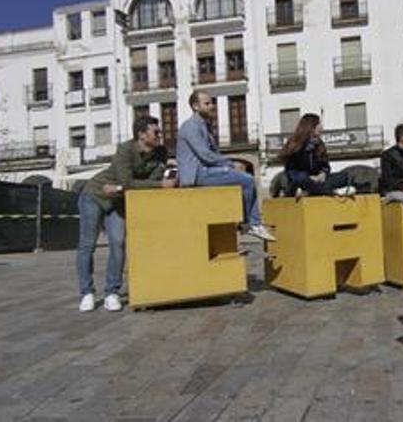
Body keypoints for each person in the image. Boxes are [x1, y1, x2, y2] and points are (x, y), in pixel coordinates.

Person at [76, 116, 177, 312]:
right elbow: (132, 182)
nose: (160, 135)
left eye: (160, 132)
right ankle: (86, 293)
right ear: (141, 134)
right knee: (87, 245)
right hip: (95, 195)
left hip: (118, 199)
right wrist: (154, 185)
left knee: (118, 243)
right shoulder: (125, 149)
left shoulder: (161, 153)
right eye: (155, 132)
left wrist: (123, 187)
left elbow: (147, 181)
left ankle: (112, 292)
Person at [177, 91, 275, 241]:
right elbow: (205, 155)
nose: (212, 106)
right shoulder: (190, 126)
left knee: (241, 178)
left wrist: (229, 166)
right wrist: (230, 164)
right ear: (195, 106)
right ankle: (253, 224)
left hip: (205, 171)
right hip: (197, 174)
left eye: (212, 103)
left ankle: (244, 223)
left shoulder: (205, 126)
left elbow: (214, 153)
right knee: (247, 180)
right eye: (207, 103)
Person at [280, 113, 355, 197]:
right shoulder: (294, 143)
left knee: (344, 177)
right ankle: (333, 192)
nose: (322, 127)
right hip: (300, 181)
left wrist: (322, 174)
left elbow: (325, 167)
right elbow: (291, 171)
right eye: (319, 124)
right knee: (302, 180)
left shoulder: (319, 144)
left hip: (317, 181)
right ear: (311, 127)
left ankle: (310, 192)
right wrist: (309, 178)